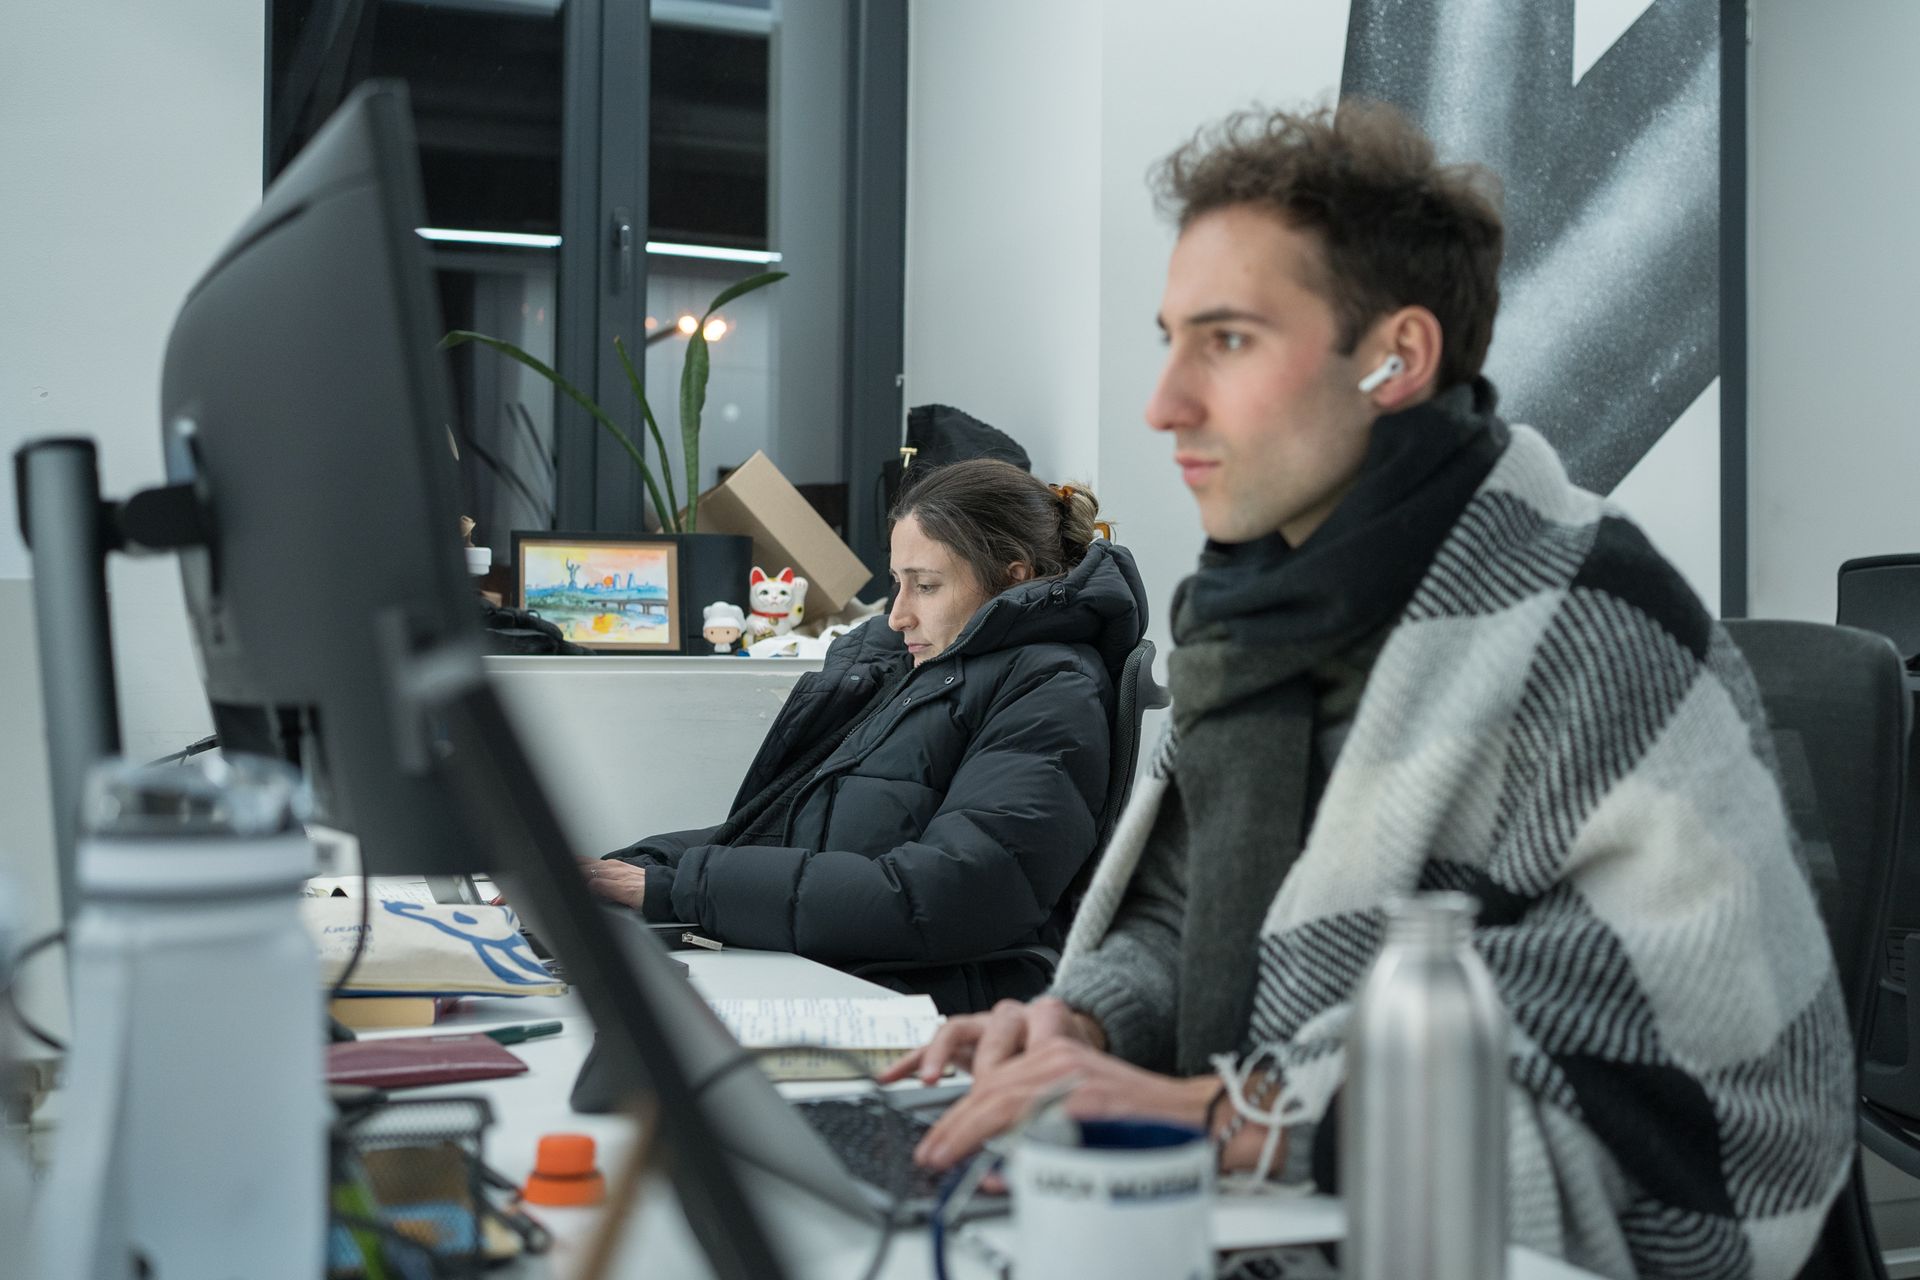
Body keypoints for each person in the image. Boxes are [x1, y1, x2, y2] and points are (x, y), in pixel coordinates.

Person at [884, 102, 1853, 1278]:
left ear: (1398, 357)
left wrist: (1224, 1119)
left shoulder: (1592, 625)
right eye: (1169, 338)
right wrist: (1080, 1028)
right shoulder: (1256, 622)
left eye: (1227, 341)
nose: (1164, 403)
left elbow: (1683, 1092)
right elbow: (1187, 923)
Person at [583, 458, 1148, 1014]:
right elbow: (791, 830)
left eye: (925, 586)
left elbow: (946, 895)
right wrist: (640, 866)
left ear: (1011, 578)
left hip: (928, 1005)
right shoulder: (918, 672)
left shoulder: (1052, 689)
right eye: (897, 582)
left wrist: (679, 889)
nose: (898, 614)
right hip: (846, 971)